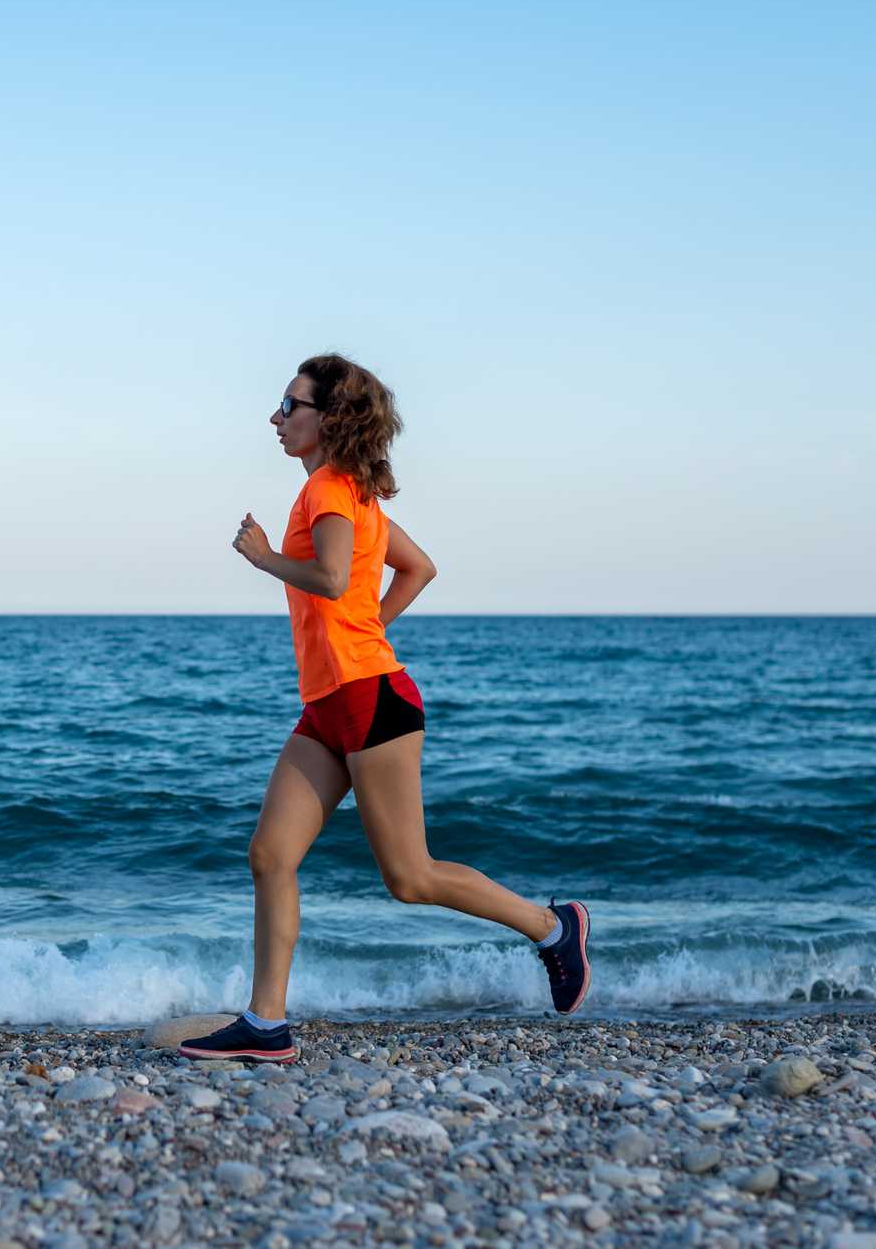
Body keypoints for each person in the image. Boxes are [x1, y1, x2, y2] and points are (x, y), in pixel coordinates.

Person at [178, 354, 592, 1062]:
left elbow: (334, 579)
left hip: (370, 699)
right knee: (270, 853)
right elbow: (418, 567)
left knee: (411, 875)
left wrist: (265, 558)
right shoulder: (350, 493)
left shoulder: (330, 494)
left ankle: (554, 927)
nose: (276, 418)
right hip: (329, 705)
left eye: (290, 404)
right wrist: (366, 629)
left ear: (328, 417)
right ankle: (267, 1021)